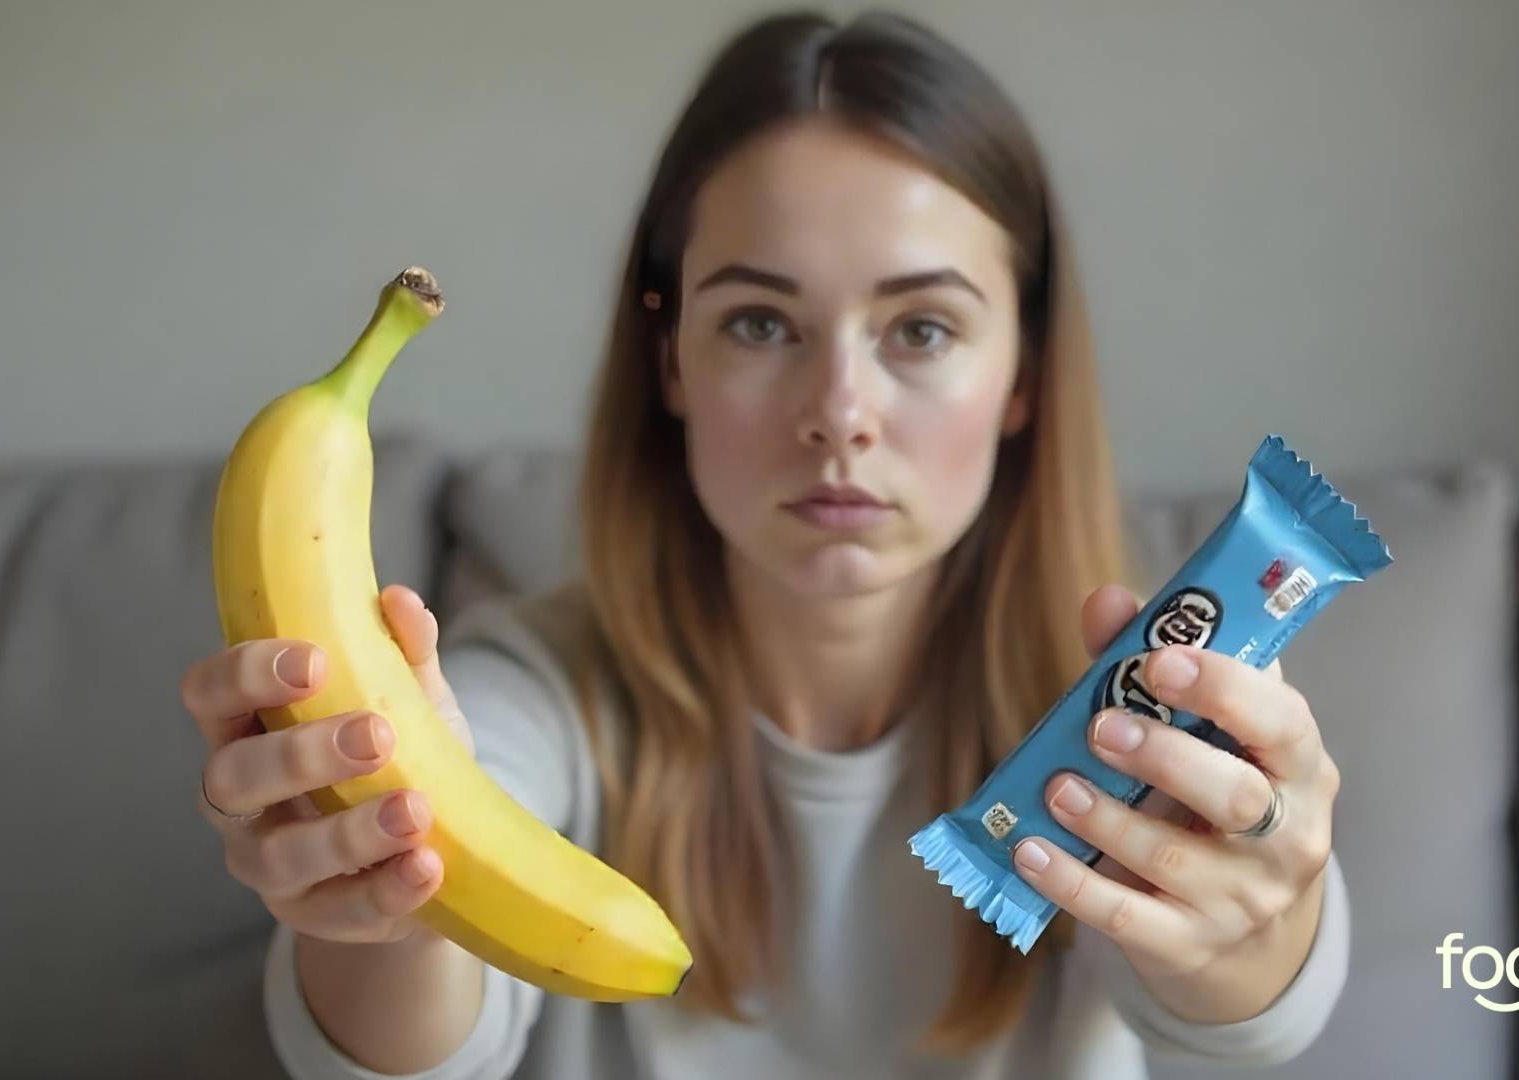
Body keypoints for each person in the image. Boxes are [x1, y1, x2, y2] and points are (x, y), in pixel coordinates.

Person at [179, 10, 1350, 1078]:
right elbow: (419, 1050)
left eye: (923, 327)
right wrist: (383, 906)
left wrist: (1256, 907)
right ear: (672, 362)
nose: (839, 410)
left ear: (1024, 377)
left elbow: (1246, 1022)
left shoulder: (1123, 722)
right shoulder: (535, 695)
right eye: (759, 321)